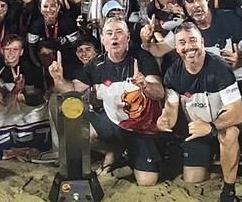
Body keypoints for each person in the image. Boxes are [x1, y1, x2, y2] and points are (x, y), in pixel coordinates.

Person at [49, 18, 165, 186]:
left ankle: (128, 157)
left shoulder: (142, 59)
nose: (114, 37)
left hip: (141, 128)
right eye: (109, 33)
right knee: (74, 123)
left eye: (119, 32)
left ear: (127, 38)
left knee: (147, 182)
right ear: (103, 39)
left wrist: (145, 85)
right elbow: (72, 89)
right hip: (111, 123)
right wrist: (59, 80)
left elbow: (159, 93)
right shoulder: (95, 65)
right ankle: (113, 150)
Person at [157, 23, 242, 202]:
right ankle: (227, 161)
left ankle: (229, 190)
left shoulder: (220, 69)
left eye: (193, 40)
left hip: (221, 124)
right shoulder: (172, 74)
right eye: (182, 42)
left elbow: (237, 113)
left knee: (229, 135)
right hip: (197, 130)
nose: (188, 47)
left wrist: (212, 127)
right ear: (176, 47)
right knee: (192, 179)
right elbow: (172, 109)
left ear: (202, 42)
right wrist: (164, 120)